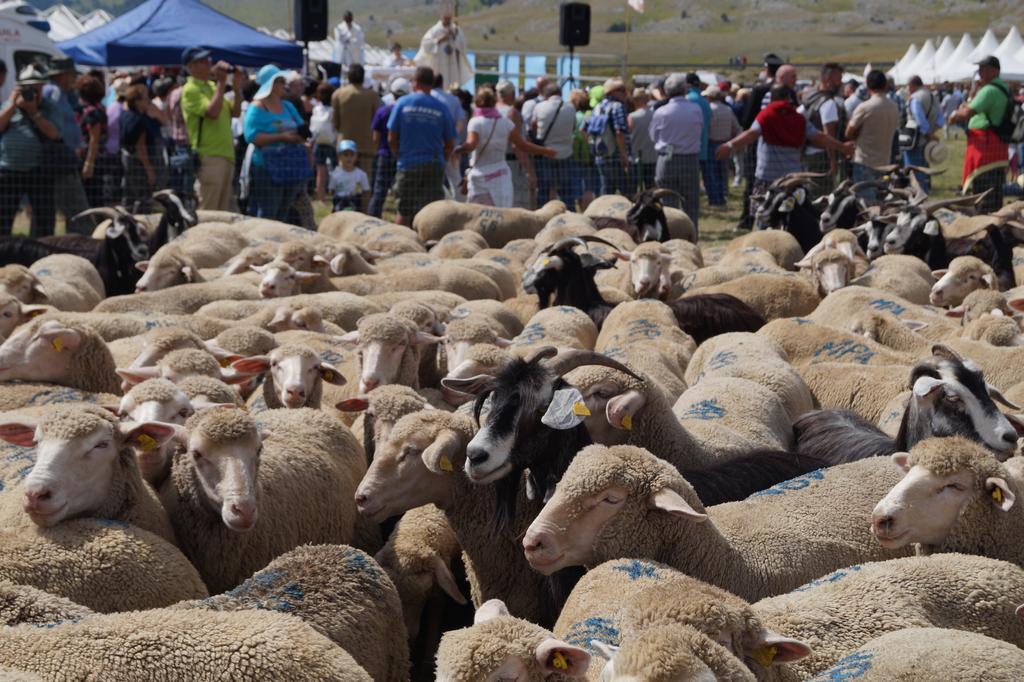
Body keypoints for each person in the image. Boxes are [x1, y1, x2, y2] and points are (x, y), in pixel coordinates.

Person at [716, 84, 854, 225]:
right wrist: (842, 147)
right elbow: (819, 136)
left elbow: (750, 134)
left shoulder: (766, 115)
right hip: (792, 180)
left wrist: (729, 145)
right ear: (788, 98)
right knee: (792, 218)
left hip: (767, 178)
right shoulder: (798, 118)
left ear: (771, 98)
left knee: (764, 217)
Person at [455, 87, 556, 207]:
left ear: (477, 102)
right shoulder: (505, 123)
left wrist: (458, 149)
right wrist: (545, 150)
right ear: (494, 101)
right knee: (502, 215)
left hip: (480, 177)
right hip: (500, 176)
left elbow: (471, 145)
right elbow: (522, 145)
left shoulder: (476, 122)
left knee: (479, 215)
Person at [387, 66, 456, 225]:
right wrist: (442, 160)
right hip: (433, 163)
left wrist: (398, 155)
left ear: (415, 82)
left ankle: (400, 245)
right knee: (430, 213)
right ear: (431, 83)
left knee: (404, 210)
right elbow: (450, 143)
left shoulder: (402, 103)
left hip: (408, 163)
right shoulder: (441, 107)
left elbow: (391, 137)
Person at [180, 47, 244, 212]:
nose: (209, 63)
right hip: (209, 155)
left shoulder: (211, 86)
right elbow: (212, 113)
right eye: (202, 61)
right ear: (190, 67)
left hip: (225, 154)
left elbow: (235, 112)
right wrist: (222, 82)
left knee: (223, 210)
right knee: (209, 210)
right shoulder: (190, 89)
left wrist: (236, 89)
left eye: (208, 59)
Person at [243, 65, 309, 223]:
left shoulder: (288, 105)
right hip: (266, 166)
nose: (284, 85)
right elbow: (251, 136)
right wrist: (281, 137)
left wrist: (300, 136)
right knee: (268, 211)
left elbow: (302, 127)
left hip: (289, 165)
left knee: (284, 210)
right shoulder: (257, 107)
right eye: (280, 81)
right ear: (270, 84)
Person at [0, 65, 60, 236]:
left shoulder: (48, 107)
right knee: (3, 219)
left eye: (37, 88)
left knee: (44, 220)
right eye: (29, 88)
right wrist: (12, 105)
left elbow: (54, 134)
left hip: (39, 171)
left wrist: (34, 112)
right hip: (9, 171)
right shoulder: (8, 106)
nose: (33, 93)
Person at [948, 56, 1011, 213]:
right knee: (994, 194)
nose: (980, 72)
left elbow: (968, 112)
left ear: (994, 70)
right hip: (996, 148)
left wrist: (955, 114)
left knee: (983, 196)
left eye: (983, 69)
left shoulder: (989, 90)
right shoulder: (1004, 87)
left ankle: (985, 229)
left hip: (985, 150)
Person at [43, 57, 93, 235]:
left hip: (66, 157)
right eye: (72, 75)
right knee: (77, 209)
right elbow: (54, 127)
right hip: (60, 160)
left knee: (73, 210)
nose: (74, 79)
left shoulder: (63, 94)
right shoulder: (53, 92)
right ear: (62, 75)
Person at [650, 74, 705, 229]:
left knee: (667, 202)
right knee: (691, 203)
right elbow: (699, 130)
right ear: (685, 89)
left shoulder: (661, 111)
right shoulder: (695, 109)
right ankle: (691, 235)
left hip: (667, 158)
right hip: (690, 159)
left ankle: (670, 233)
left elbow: (653, 135)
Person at [845, 70, 900, 198]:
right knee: (882, 203)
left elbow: (849, 132)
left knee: (866, 205)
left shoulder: (865, 107)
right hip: (885, 161)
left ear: (868, 86)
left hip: (865, 161)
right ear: (885, 85)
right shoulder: (894, 106)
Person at [530, 82, 579, 209]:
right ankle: (570, 215)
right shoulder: (571, 107)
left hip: (545, 152)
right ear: (561, 93)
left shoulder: (539, 107)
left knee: (544, 189)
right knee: (566, 190)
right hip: (566, 153)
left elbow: (533, 126)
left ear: (546, 94)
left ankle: (542, 217)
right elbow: (573, 127)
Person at [121, 83, 169, 213]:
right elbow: (140, 147)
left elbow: (164, 120)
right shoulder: (138, 120)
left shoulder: (129, 115)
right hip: (140, 164)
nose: (148, 100)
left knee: (130, 196)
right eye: (145, 98)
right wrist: (149, 171)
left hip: (130, 161)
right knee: (143, 198)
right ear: (136, 101)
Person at [801, 62, 845, 197]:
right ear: (828, 79)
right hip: (821, 157)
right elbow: (828, 134)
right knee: (821, 196)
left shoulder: (809, 98)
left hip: (807, 153)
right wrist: (832, 160)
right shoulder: (828, 103)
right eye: (838, 79)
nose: (841, 83)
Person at [368, 77, 410, 217]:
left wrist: (378, 151)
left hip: (384, 155)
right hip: (403, 157)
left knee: (379, 191)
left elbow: (375, 137)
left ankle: (373, 219)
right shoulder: (408, 113)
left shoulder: (383, 111)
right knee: (403, 192)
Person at [332, 63, 380, 183]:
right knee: (365, 183)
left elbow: (335, 122)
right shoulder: (373, 95)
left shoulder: (338, 94)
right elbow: (376, 121)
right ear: (363, 77)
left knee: (344, 181)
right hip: (366, 144)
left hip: (345, 144)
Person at [415, 3, 472, 93]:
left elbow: (462, 46)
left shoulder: (456, 30)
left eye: (449, 19)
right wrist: (439, 40)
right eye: (446, 19)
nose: (448, 21)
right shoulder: (434, 30)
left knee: (453, 87)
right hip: (439, 64)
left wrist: (454, 37)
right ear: (442, 18)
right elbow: (426, 45)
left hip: (453, 65)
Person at [589, 77, 632, 197]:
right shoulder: (617, 106)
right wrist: (624, 155)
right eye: (622, 90)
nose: (625, 93)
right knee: (627, 193)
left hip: (601, 156)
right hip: (616, 157)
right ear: (614, 92)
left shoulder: (597, 107)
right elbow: (619, 132)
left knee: (607, 192)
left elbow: (585, 129)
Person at [902, 75, 944, 192]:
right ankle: (925, 189)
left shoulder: (915, 98)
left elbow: (919, 120)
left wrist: (928, 133)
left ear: (912, 85)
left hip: (914, 139)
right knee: (924, 167)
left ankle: (917, 193)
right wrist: (933, 131)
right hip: (927, 139)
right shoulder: (932, 95)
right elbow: (940, 119)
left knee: (913, 168)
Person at [76, 75, 112, 208]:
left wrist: (89, 163)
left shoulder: (92, 112)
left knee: (91, 195)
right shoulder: (99, 108)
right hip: (97, 155)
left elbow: (94, 139)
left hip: (91, 157)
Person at [496, 79, 534, 208]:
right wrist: (529, 171)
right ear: (512, 95)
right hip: (511, 164)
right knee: (515, 201)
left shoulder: (490, 112)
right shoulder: (512, 113)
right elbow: (517, 146)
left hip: (494, 162)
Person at [704, 85, 741, 205]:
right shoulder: (727, 109)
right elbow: (736, 127)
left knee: (712, 172)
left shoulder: (709, 109)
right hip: (725, 143)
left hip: (711, 143)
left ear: (710, 96)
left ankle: (715, 198)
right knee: (722, 172)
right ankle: (723, 194)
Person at [432, 73, 466, 195]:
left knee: (432, 179)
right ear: (442, 83)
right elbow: (460, 123)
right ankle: (460, 209)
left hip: (431, 146)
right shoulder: (454, 99)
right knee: (455, 179)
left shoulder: (428, 97)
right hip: (451, 146)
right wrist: (451, 138)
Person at [310, 81, 337, 203]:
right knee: (336, 170)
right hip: (332, 142)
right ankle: (337, 194)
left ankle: (322, 198)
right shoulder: (333, 110)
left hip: (318, 141)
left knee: (320, 172)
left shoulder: (316, 108)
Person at [628, 88, 657, 192]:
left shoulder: (632, 116)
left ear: (636, 100)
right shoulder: (655, 115)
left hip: (636, 157)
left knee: (634, 188)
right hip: (652, 156)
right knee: (651, 188)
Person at [329, 139, 370, 212]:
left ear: (356, 156)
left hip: (355, 203)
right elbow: (332, 191)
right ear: (339, 156)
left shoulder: (361, 174)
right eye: (345, 155)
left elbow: (366, 192)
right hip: (340, 203)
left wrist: (365, 208)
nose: (349, 158)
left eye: (352, 155)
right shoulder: (334, 174)